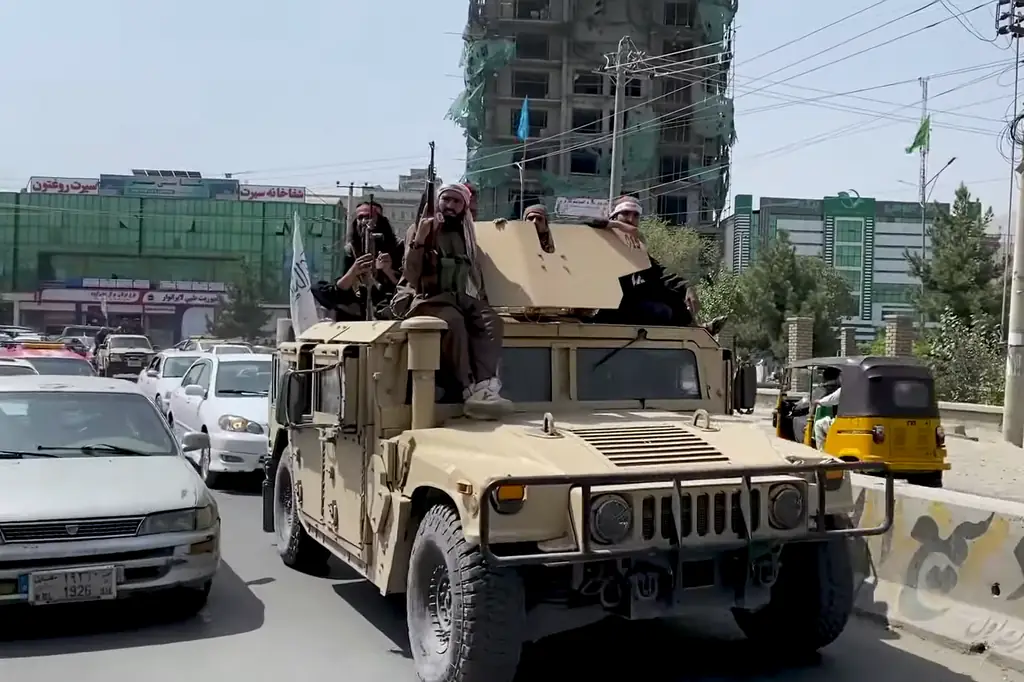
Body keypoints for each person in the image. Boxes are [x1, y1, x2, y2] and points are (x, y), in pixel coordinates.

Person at [393, 183, 511, 418]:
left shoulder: (466, 233)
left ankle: (485, 384)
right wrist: (420, 239)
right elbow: (412, 274)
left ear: (463, 206)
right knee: (453, 322)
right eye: (446, 199)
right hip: (425, 298)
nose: (450, 205)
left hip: (457, 297)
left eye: (456, 201)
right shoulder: (419, 229)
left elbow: (474, 272)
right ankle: (467, 387)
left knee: (491, 320)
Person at [312, 201, 404, 321]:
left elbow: (407, 287)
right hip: (355, 314)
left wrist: (388, 271)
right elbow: (336, 291)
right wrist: (354, 271)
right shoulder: (350, 251)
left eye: (369, 217)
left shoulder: (398, 247)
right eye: (360, 217)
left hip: (389, 311)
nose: (365, 222)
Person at [791, 367, 841, 447]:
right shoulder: (840, 389)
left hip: (826, 419)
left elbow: (807, 403)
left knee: (797, 420)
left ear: (824, 377)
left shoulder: (821, 390)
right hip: (838, 416)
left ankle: (818, 448)